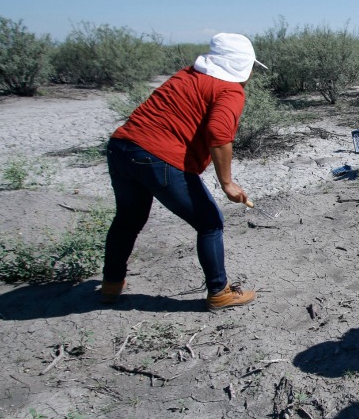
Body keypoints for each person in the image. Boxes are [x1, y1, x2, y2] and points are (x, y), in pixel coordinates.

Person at [99, 33, 267, 311]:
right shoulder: (230, 90)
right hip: (157, 157)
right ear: (241, 65)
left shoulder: (186, 75)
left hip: (121, 148)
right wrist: (227, 183)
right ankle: (219, 292)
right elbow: (219, 133)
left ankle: (111, 284)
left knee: (128, 219)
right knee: (210, 222)